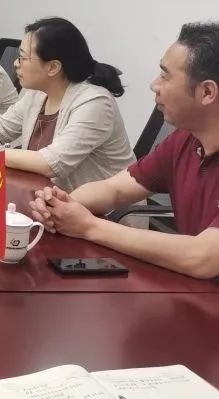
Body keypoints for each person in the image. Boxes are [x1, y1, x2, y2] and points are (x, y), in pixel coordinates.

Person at [29, 23, 219, 280]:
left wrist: (89, 226)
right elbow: (116, 188)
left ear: (207, 92)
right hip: (191, 287)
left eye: (165, 76)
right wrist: (61, 204)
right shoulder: (184, 139)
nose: (154, 85)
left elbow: (203, 257)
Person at [0, 17, 134, 191]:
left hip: (101, 214)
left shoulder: (94, 103)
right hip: (44, 197)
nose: (15, 63)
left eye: (22, 57)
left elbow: (51, 163)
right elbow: (2, 127)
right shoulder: (37, 92)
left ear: (53, 67)